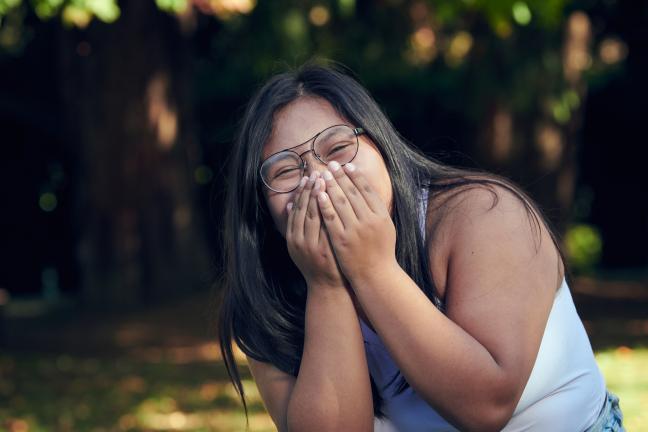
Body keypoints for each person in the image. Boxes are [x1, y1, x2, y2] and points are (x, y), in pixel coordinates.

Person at [217, 60, 625, 431]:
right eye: (287, 169)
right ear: (261, 204)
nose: (321, 179)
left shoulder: (484, 215)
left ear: (381, 144)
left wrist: (371, 268)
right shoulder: (263, 299)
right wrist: (328, 286)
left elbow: (486, 407)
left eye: (338, 148)